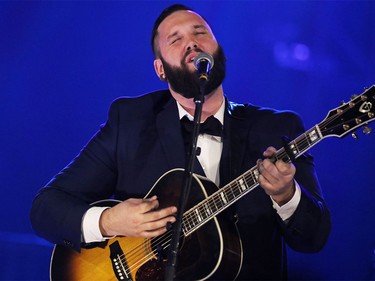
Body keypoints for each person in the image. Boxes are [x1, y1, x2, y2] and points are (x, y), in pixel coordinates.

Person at [30, 4, 331, 280]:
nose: (192, 42)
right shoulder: (131, 121)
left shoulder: (277, 127)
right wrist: (108, 221)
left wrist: (286, 195)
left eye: (200, 32)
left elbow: (314, 238)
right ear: (160, 69)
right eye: (175, 39)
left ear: (220, 52)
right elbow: (46, 208)